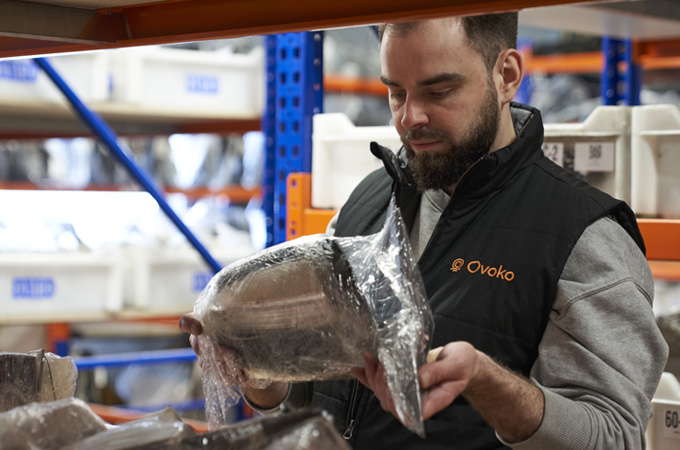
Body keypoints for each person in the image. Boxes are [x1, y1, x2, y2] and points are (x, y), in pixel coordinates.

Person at [180, 12, 669, 449]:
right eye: (396, 92)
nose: (409, 117)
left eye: (439, 91)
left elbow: (615, 436)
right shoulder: (364, 206)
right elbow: (316, 394)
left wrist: (486, 382)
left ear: (506, 76)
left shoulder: (583, 234)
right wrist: (261, 375)